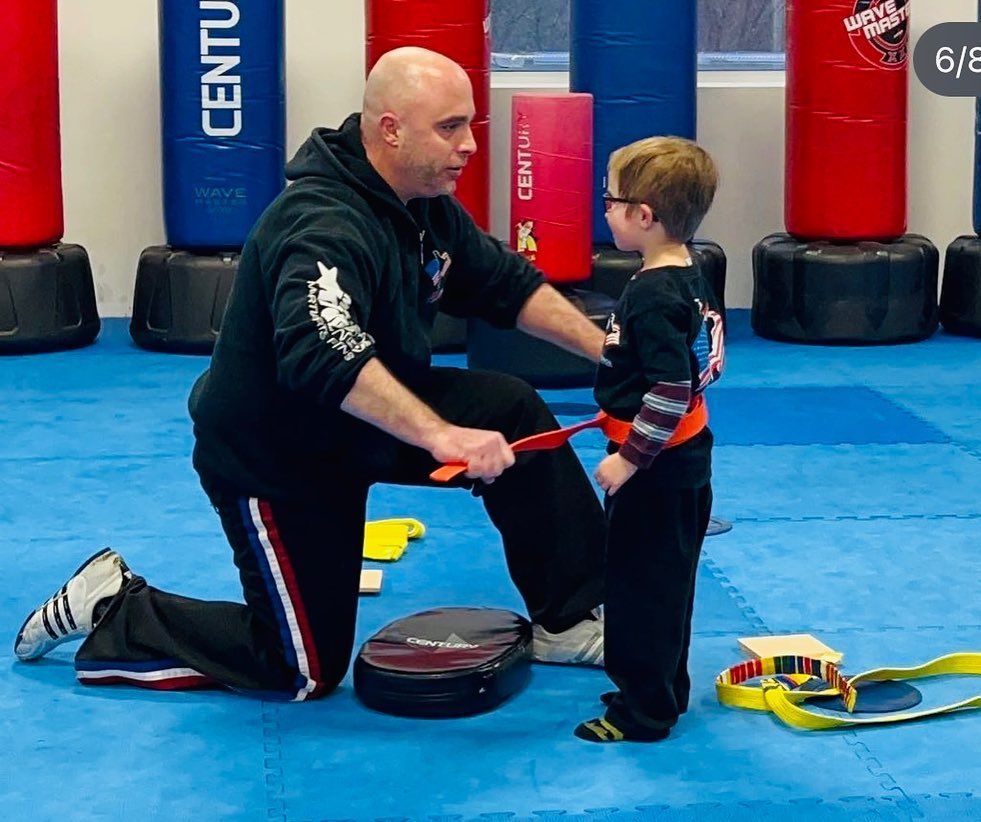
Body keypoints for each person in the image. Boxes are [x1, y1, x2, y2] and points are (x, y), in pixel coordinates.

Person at [14, 47, 609, 699]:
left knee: (508, 409)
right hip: (275, 450)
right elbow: (324, 354)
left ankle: (567, 616)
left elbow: (507, 285)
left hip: (353, 420)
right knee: (301, 669)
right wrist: (441, 435)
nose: (468, 146)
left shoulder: (421, 203)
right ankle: (118, 606)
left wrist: (610, 349)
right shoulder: (321, 222)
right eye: (449, 128)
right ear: (389, 129)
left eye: (470, 125)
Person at [574, 137, 723, 742]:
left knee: (638, 590)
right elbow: (703, 368)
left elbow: (669, 386)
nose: (603, 210)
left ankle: (642, 713)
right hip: (686, 458)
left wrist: (629, 460)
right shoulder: (690, 274)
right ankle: (666, 689)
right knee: (668, 582)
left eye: (611, 200)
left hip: (656, 465)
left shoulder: (654, 295)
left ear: (644, 216)